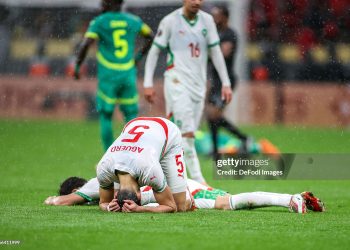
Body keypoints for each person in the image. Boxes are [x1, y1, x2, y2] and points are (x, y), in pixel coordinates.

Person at [143, 0, 232, 185]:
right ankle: (199, 181)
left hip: (198, 85)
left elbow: (215, 52)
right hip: (177, 81)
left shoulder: (207, 21)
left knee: (179, 132)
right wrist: (148, 83)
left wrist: (225, 82)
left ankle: (157, 171)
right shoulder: (170, 21)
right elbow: (154, 51)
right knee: (187, 133)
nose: (197, 2)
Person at [74, 0, 154, 151]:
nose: (100, 4)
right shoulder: (133, 20)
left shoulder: (99, 22)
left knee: (106, 115)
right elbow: (150, 36)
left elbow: (86, 44)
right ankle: (133, 155)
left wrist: (77, 66)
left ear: (108, 4)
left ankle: (109, 156)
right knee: (131, 116)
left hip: (108, 76)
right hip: (127, 74)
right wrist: (137, 59)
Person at [45, 177, 325, 214]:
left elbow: (69, 199)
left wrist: (53, 200)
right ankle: (293, 198)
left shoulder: (99, 181)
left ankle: (289, 199)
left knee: (230, 202)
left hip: (183, 191)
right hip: (179, 193)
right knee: (230, 205)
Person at [96, 117, 189, 213]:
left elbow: (171, 207)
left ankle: (191, 196)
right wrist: (108, 207)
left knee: (180, 206)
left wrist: (139, 209)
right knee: (119, 205)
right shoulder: (103, 169)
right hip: (133, 124)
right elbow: (104, 203)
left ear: (140, 193)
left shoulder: (149, 171)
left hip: (168, 131)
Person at [207, 6, 249, 161]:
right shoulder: (215, 34)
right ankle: (216, 150)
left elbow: (224, 54)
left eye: (217, 16)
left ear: (225, 17)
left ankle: (243, 138)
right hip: (215, 80)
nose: (214, 19)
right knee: (211, 116)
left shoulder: (230, 34)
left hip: (227, 80)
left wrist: (206, 53)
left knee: (214, 114)